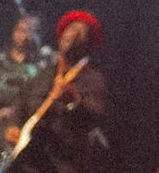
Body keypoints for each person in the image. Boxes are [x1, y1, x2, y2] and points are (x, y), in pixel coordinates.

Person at [10, 9, 109, 173]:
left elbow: (93, 120)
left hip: (61, 164)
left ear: (88, 44)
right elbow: (22, 99)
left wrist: (73, 102)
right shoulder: (46, 71)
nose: (73, 35)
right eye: (70, 30)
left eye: (80, 33)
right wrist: (13, 124)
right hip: (29, 158)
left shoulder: (93, 79)